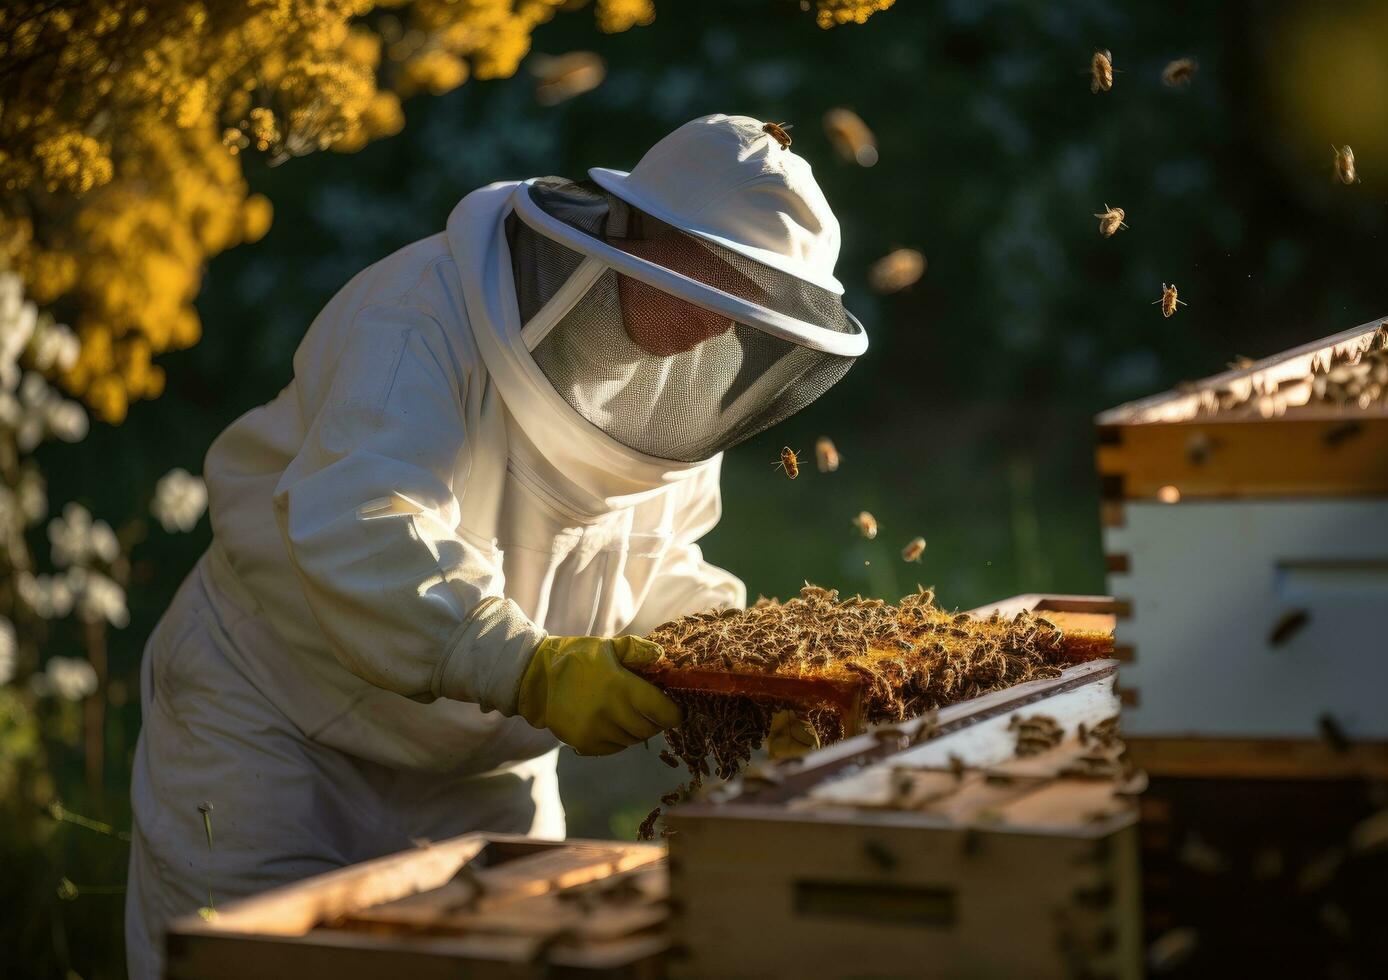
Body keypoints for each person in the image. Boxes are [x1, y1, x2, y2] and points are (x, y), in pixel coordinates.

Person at [124, 112, 867, 977]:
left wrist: (738, 666)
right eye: (710, 283)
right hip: (280, 732)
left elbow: (650, 561)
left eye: (751, 309)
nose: (715, 330)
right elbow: (363, 526)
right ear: (641, 233)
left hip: (487, 771)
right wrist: (531, 667)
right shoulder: (418, 317)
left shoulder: (670, 400)